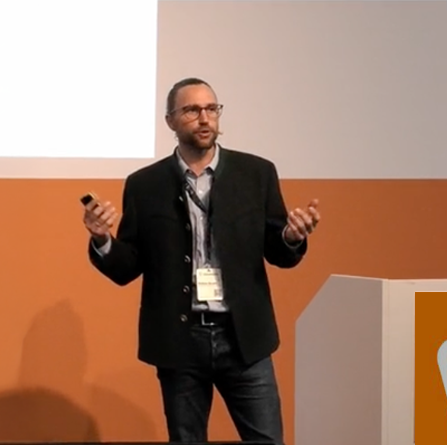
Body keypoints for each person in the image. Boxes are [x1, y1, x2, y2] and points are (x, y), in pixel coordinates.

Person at [81, 77, 320, 444]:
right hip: (180, 340)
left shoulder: (256, 174)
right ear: (170, 121)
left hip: (244, 338)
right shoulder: (145, 185)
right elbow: (128, 266)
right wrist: (102, 239)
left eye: (211, 109)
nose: (205, 118)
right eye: (192, 110)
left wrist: (291, 237)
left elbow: (277, 251)